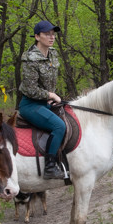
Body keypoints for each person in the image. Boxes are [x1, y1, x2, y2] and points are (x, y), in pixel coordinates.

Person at [17, 19, 67, 179]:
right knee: (59, 127)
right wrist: (50, 95)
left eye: (53, 34)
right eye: (47, 34)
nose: (51, 37)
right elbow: (31, 89)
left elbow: (49, 82)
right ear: (37, 37)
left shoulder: (53, 54)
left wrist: (52, 96)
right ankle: (49, 168)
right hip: (31, 105)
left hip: (46, 102)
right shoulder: (30, 59)